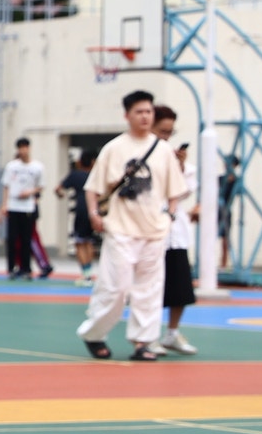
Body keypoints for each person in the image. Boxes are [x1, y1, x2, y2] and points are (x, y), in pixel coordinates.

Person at [76, 90, 191, 362]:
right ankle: (94, 333)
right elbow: (93, 187)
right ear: (127, 115)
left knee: (149, 290)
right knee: (115, 288)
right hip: (120, 229)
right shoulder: (113, 149)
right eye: (139, 112)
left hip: (154, 230)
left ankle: (143, 342)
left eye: (149, 111)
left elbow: (176, 190)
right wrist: (94, 213)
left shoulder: (163, 151)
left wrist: (170, 215)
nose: (145, 116)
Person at [151, 108, 197, 356]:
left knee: (180, 287)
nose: (167, 137)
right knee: (151, 286)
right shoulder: (143, 158)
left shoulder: (181, 163)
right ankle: (148, 336)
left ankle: (172, 333)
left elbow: (185, 191)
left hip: (175, 233)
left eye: (170, 132)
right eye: (162, 132)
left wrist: (179, 166)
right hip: (150, 230)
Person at [0, 138, 47, 280]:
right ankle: (11, 268)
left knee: (26, 239)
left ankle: (26, 269)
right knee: (12, 239)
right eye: (20, 148)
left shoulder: (37, 167)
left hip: (28, 207)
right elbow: (6, 185)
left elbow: (41, 186)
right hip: (13, 206)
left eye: (25, 147)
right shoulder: (12, 166)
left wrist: (30, 192)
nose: (23, 150)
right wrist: (4, 204)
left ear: (29, 148)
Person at [59, 149, 98, 285]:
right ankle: (89, 274)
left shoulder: (75, 175)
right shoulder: (95, 175)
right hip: (94, 210)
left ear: (79, 162)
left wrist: (61, 195)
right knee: (89, 242)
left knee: (79, 242)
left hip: (81, 209)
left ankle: (86, 275)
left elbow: (58, 189)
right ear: (93, 162)